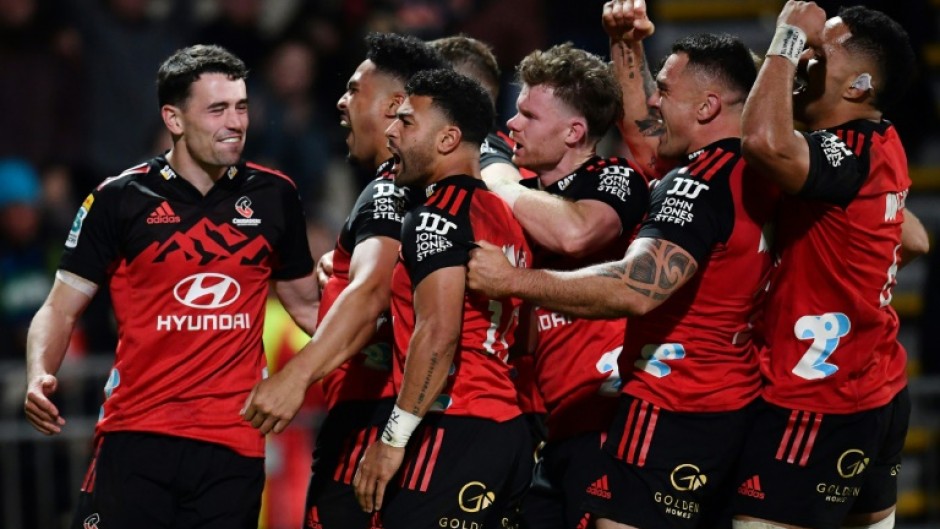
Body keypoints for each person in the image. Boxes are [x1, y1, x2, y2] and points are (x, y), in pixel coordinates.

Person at [467, 3, 779, 527]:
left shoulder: (669, 182)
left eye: (667, 91)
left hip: (671, 401)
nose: (655, 101)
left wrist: (509, 265)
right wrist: (624, 45)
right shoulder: (758, 168)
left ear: (705, 107)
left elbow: (624, 276)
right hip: (718, 398)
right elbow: (644, 131)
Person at [22, 44, 319, 529]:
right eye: (217, 109)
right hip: (137, 435)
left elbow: (310, 309)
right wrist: (39, 374)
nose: (236, 122)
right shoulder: (118, 199)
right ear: (174, 119)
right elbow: (59, 309)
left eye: (241, 107)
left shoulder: (276, 196)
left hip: (234, 447)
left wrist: (378, 333)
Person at [732, 3, 929, 529]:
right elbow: (915, 237)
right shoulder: (883, 141)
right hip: (878, 386)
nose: (805, 62)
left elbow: (763, 143)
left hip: (815, 398)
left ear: (858, 87)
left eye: (819, 55)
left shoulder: (849, 150)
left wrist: (788, 38)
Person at [240, 33, 447, 529]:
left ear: (396, 105)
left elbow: (373, 292)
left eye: (355, 90)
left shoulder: (388, 189)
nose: (341, 100)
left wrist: (295, 376)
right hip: (442, 425)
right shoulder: (449, 191)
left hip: (374, 422)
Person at [477, 41, 650, 529]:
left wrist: (498, 179)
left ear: (575, 131)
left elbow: (575, 234)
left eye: (529, 115)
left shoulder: (615, 179)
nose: (512, 124)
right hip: (529, 423)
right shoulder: (518, 193)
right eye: (515, 112)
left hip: (601, 416)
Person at [353, 68, 533, 529]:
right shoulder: (504, 216)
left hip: (452, 425)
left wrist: (392, 441)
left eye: (408, 122)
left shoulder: (435, 216)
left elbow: (438, 333)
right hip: (506, 429)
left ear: (449, 139)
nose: (391, 130)